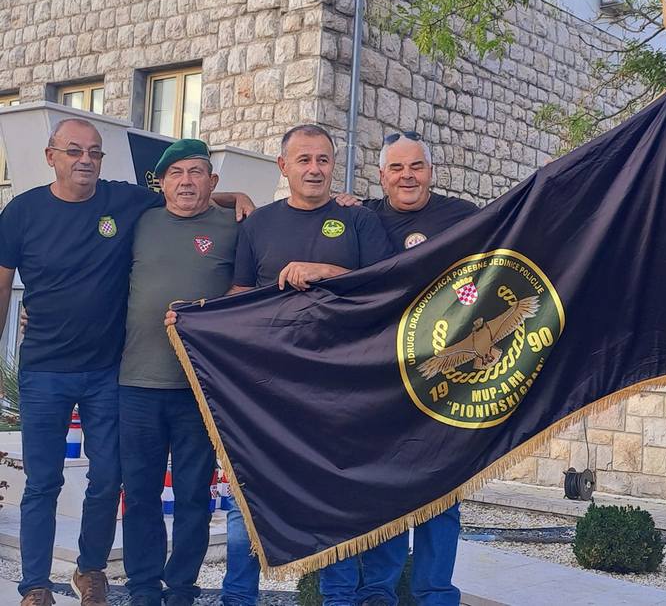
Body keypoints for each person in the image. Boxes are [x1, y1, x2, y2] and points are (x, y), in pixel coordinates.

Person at [0, 119, 251, 606]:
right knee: (50, 482)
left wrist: (237, 197)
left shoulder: (130, 202)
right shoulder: (28, 212)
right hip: (68, 372)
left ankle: (104, 573)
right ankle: (40, 585)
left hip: (131, 375)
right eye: (74, 151)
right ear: (51, 156)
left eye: (94, 152)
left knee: (119, 481)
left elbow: (190, 199)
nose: (86, 160)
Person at [213, 124, 403, 606]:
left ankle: (338, 599)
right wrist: (194, 317)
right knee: (248, 490)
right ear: (284, 166)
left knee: (338, 497)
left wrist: (326, 272)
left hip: (342, 386)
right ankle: (238, 599)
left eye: (323, 159)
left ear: (333, 165)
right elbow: (239, 297)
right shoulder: (258, 224)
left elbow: (386, 286)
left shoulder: (358, 220)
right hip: (268, 384)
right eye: (304, 159)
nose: (314, 169)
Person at [121, 140, 240, 606]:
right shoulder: (141, 222)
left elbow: (248, 291)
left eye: (196, 172)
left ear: (213, 181)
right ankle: (144, 586)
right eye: (176, 173)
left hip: (200, 387)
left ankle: (182, 588)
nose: (186, 181)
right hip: (137, 381)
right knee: (141, 493)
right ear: (161, 183)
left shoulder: (235, 226)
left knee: (193, 494)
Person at [362, 130, 476, 604]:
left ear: (431, 171)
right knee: (384, 493)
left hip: (446, 376)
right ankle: (378, 596)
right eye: (397, 168)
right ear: (381, 175)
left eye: (416, 167)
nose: (406, 176)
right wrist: (236, 197)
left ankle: (436, 596)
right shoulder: (362, 217)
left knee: (442, 496)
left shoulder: (464, 216)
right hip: (383, 377)